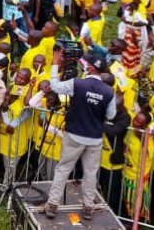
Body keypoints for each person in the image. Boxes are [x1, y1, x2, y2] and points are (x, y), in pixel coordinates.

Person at [43, 48, 116, 220]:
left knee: (63, 169)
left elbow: (55, 87)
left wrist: (55, 65)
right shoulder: (109, 91)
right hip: (95, 137)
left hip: (74, 134)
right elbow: (111, 115)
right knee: (90, 173)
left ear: (90, 69)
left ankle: (53, 204)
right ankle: (88, 207)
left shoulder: (78, 83)